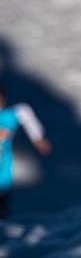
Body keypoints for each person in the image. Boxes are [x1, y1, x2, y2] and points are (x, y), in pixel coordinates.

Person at [0, 84, 51, 218]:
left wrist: (37, 137)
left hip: (3, 179)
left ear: (3, 100)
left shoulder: (8, 117)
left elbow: (23, 111)